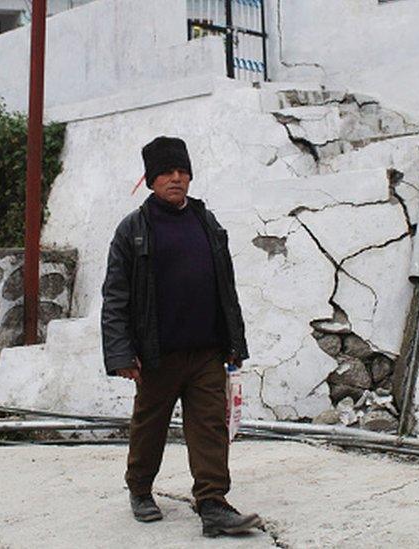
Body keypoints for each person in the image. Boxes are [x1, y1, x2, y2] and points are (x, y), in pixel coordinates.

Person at [100, 136, 261, 537]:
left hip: (206, 349)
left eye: (181, 171)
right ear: (151, 179)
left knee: (209, 427)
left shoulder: (206, 222)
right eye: (166, 172)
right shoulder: (133, 229)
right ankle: (139, 489)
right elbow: (115, 295)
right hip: (158, 353)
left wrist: (234, 343)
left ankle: (213, 504)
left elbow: (226, 286)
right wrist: (121, 354)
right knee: (149, 425)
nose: (176, 178)